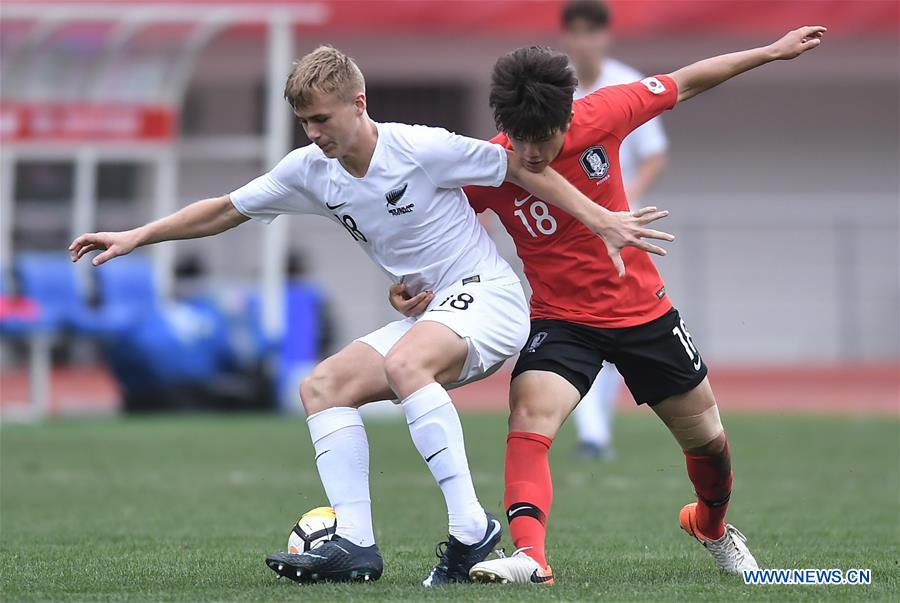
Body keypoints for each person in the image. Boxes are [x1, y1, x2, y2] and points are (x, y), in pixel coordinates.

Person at [68, 46, 672, 586]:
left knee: (410, 362)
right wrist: (137, 235)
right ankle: (355, 543)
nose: (313, 132)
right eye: (304, 121)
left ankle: (472, 532)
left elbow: (519, 167)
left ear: (359, 104)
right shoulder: (309, 170)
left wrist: (599, 218)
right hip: (432, 313)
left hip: (489, 298)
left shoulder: (420, 147)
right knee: (322, 386)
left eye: (322, 119)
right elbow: (225, 209)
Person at [390, 27, 826, 585]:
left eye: (541, 141)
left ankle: (712, 526)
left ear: (567, 117)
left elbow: (686, 81)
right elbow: (440, 227)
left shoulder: (605, 113)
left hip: (643, 312)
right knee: (528, 418)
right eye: (517, 139)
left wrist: (769, 52)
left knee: (710, 444)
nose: (528, 154)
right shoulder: (492, 163)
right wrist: (412, 279)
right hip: (560, 319)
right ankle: (532, 557)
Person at [562, 0, 672, 461]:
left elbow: (654, 153)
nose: (584, 41)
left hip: (618, 226)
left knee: (615, 324)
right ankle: (593, 433)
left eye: (593, 31)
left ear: (605, 37)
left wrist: (626, 205)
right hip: (566, 225)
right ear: (567, 36)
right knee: (577, 323)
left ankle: (595, 431)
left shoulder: (626, 83)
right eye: (577, 32)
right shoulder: (555, 87)